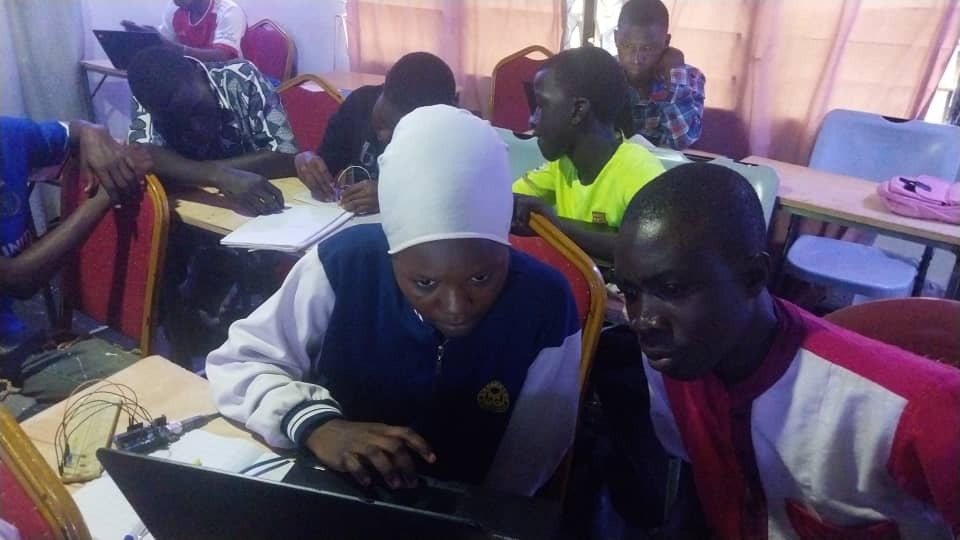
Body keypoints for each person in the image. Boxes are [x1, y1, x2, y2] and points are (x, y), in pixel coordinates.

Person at [207, 105, 582, 495]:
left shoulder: (545, 304)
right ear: (391, 254)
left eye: (480, 277)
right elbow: (239, 361)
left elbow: (528, 463)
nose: (454, 306)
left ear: (506, 249)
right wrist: (316, 424)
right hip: (336, 494)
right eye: (424, 282)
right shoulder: (344, 264)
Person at [612, 162, 960, 538]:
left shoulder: (914, 411)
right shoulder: (675, 362)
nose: (643, 320)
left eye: (673, 289)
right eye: (630, 293)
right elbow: (704, 479)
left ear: (753, 278)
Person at [0, 117, 150, 371]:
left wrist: (91, 131)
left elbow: (72, 131)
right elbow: (18, 280)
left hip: (12, 337)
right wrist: (106, 195)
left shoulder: (8, 135)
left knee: (141, 380)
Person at [512, 46, 665, 263]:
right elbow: (512, 198)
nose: (532, 120)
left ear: (577, 110)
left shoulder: (637, 168)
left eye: (541, 105)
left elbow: (652, 249)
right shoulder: (562, 165)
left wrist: (554, 225)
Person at [127, 45, 297, 216]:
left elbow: (286, 155)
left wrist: (188, 171)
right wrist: (219, 176)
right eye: (177, 123)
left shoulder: (242, 77)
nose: (196, 128)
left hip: (263, 212)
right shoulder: (151, 96)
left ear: (199, 74)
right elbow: (143, 157)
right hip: (198, 216)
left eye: (198, 110)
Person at [294, 52, 457, 216]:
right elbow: (326, 163)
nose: (383, 137)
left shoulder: (450, 135)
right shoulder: (360, 103)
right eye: (381, 124)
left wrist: (391, 196)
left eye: (398, 131)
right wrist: (306, 160)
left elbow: (451, 199)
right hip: (349, 222)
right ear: (383, 88)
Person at [615, 0, 705, 150]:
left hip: (666, 170)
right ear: (616, 38)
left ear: (666, 41)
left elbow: (682, 141)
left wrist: (674, 80)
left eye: (647, 48)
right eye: (627, 46)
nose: (636, 58)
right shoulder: (605, 74)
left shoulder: (690, 77)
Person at [121, 0, 246, 63]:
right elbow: (165, 39)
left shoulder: (228, 11)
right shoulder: (175, 8)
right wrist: (147, 34)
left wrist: (175, 49)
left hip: (225, 81)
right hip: (190, 78)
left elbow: (223, 57)